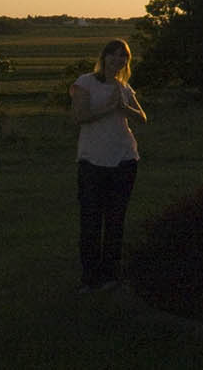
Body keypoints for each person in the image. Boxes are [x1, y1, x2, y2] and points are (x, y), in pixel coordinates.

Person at [70, 38, 146, 292]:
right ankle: (90, 278)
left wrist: (124, 108)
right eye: (114, 55)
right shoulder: (85, 83)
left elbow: (142, 117)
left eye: (123, 56)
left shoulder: (124, 87)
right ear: (104, 58)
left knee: (115, 220)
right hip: (93, 160)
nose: (118, 60)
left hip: (124, 158)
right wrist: (109, 107)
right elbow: (80, 117)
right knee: (91, 220)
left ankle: (110, 275)